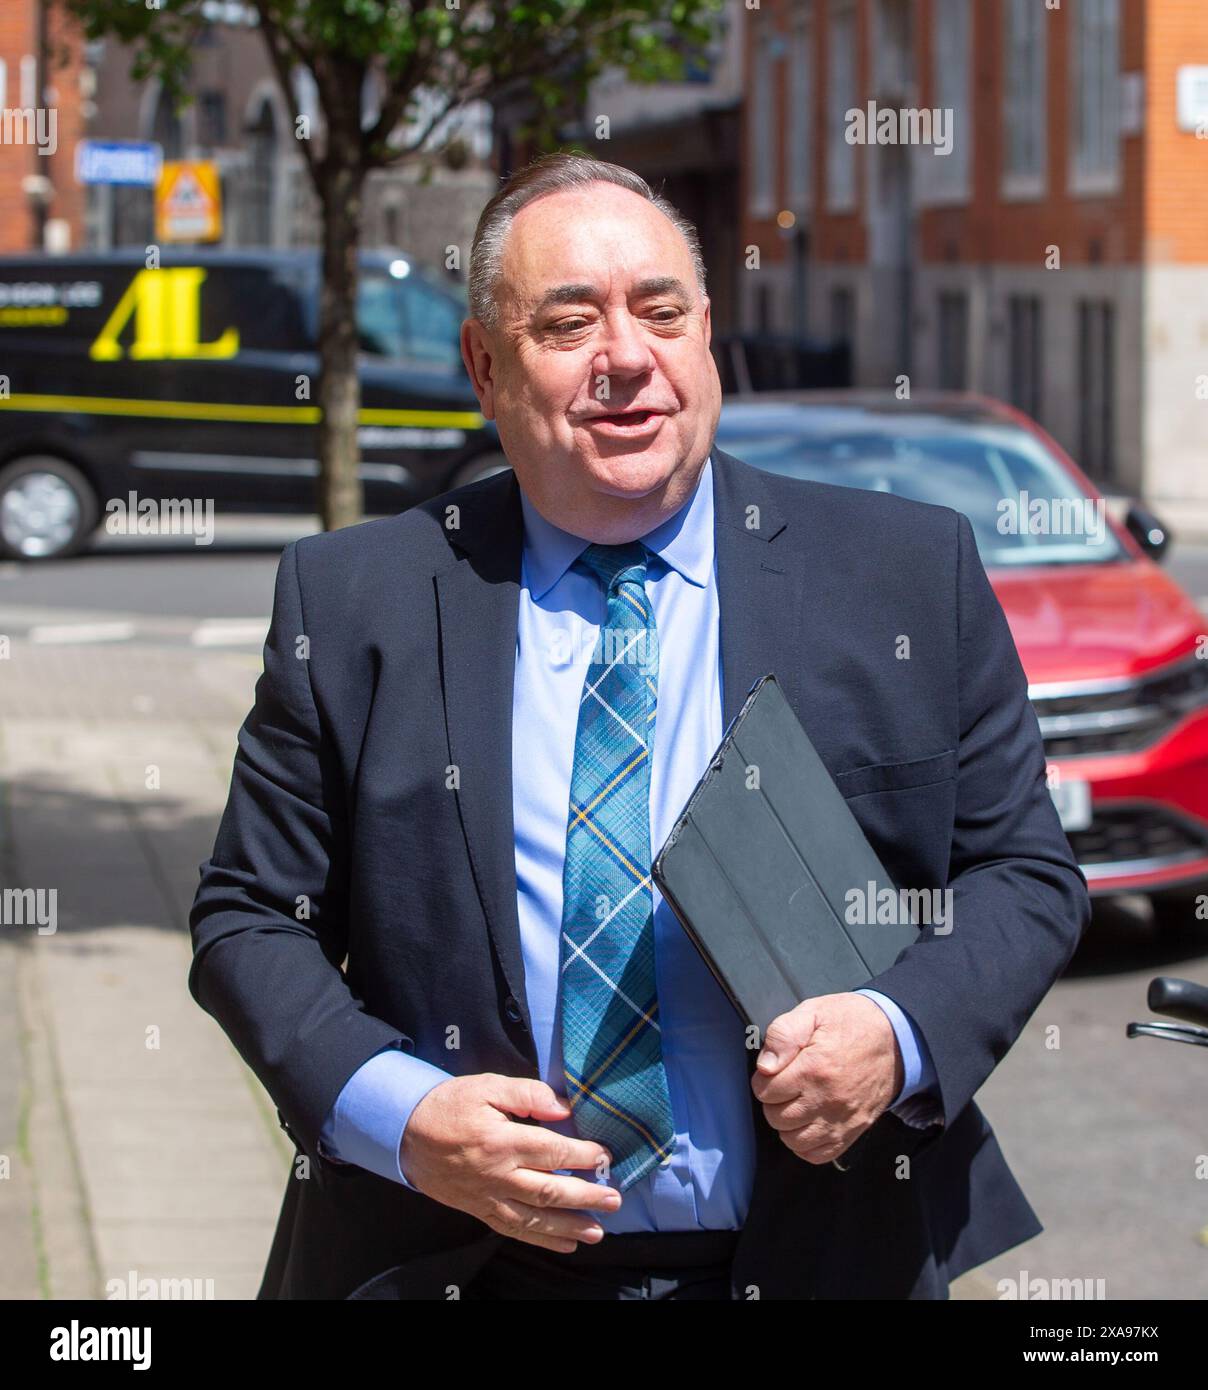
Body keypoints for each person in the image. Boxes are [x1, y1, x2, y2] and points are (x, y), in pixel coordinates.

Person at [188, 152, 1090, 1300]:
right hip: (452, 1258)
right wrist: (403, 1115)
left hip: (822, 1261)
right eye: (568, 324)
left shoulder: (906, 576)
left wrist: (895, 1030)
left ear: (704, 330)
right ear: (483, 365)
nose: (627, 358)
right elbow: (249, 914)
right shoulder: (355, 600)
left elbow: (1020, 871)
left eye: (660, 311)